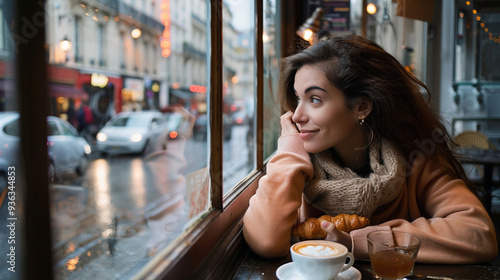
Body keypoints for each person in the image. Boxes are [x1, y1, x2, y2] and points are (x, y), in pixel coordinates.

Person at [242, 35, 498, 264]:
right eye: (298, 98)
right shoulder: (296, 165)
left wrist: (358, 243)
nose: (296, 115)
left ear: (361, 107)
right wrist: (288, 148)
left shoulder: (416, 159)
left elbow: (478, 234)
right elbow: (266, 240)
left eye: (315, 99)